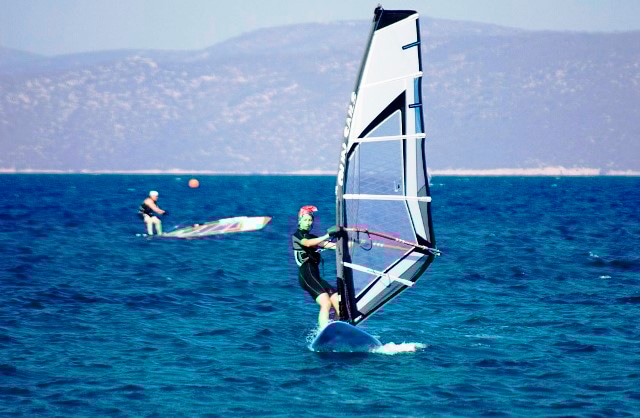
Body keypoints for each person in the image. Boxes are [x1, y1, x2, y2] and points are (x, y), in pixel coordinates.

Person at [291, 205, 340, 329]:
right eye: (305, 220)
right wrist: (327, 235)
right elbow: (307, 243)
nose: (308, 223)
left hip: (316, 277)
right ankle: (323, 330)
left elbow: (333, 246)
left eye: (310, 220)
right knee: (326, 302)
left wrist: (353, 243)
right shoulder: (297, 236)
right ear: (300, 221)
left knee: (337, 300)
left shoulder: (313, 237)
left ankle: (338, 328)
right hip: (306, 275)